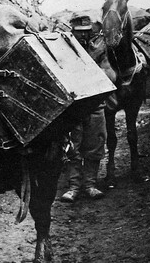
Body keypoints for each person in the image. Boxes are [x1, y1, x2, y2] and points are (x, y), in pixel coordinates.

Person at [60, 13, 107, 203]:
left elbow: (108, 74)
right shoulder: (63, 52)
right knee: (73, 148)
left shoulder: (99, 50)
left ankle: (90, 185)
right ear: (71, 32)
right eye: (79, 32)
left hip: (95, 105)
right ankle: (73, 187)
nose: (83, 36)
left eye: (86, 32)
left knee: (95, 146)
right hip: (74, 107)